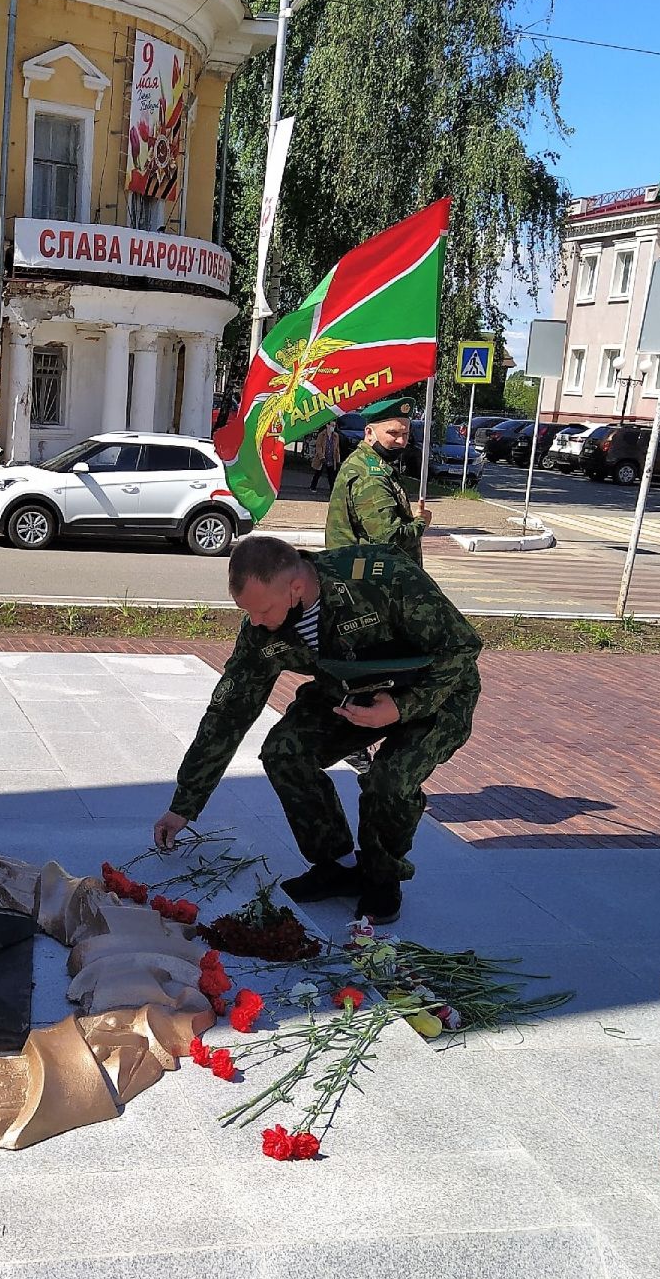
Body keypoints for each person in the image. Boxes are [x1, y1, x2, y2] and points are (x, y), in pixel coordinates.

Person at [151, 535, 480, 925]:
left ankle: (381, 876)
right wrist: (184, 804)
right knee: (285, 751)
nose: (256, 622)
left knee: (388, 781)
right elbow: (229, 712)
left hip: (435, 691)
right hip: (351, 690)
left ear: (296, 587)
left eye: (264, 610)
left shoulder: (381, 577)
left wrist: (401, 707)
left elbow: (461, 647)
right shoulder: (262, 627)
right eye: (248, 612)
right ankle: (335, 866)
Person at [325, 395, 433, 563]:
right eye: (393, 433)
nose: (401, 441)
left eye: (405, 434)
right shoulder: (369, 474)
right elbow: (389, 539)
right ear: (369, 433)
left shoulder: (371, 462)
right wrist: (420, 524)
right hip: (367, 579)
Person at [307, 423, 339, 492]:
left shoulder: (336, 436)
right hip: (323, 458)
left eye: (334, 426)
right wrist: (321, 457)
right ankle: (313, 487)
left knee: (331, 475)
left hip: (331, 457)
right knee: (318, 473)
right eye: (332, 425)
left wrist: (337, 459)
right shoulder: (321, 435)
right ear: (327, 425)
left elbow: (337, 448)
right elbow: (318, 446)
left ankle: (332, 490)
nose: (333, 427)